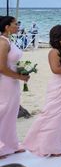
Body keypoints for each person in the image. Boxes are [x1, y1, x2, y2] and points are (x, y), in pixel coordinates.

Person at [22, 25, 61, 157]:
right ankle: (47, 145)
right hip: (59, 85)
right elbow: (55, 69)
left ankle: (59, 142)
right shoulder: (54, 51)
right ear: (59, 36)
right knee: (53, 113)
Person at [0, 16, 29, 159]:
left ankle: (10, 144)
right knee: (4, 110)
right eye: (15, 24)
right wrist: (20, 77)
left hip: (12, 80)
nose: (18, 26)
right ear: (6, 26)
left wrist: (21, 70)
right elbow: (2, 68)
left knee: (11, 111)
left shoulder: (8, 41)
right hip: (5, 81)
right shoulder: (2, 43)